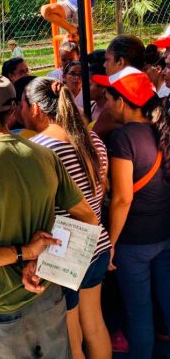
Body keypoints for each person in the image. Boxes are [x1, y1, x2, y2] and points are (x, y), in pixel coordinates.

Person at [0, 74, 98, 358]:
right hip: (48, 295)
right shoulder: (44, 156)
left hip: (0, 306)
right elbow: (89, 218)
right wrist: (43, 259)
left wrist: (26, 253)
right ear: (12, 111)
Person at [22, 77, 111, 359]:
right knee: (95, 323)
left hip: (63, 249)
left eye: (22, 105)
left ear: (35, 108)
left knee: (72, 335)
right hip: (97, 242)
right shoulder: (93, 139)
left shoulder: (38, 149)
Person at [93, 67, 170, 358]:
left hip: (134, 242)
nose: (106, 105)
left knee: (139, 311)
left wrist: (110, 243)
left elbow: (123, 198)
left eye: (108, 99)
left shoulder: (124, 138)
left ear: (122, 102)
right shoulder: (161, 128)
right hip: (164, 233)